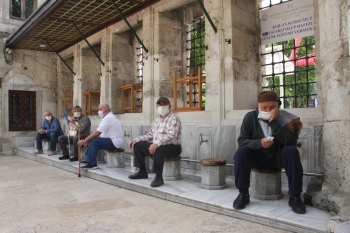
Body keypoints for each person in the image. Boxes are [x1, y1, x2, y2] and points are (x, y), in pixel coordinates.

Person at [233, 91, 306, 214]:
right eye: (264, 107)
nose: (268, 110)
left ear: (277, 105)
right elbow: (242, 140)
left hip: (277, 156)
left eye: (272, 107)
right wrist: (259, 143)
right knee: (241, 152)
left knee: (292, 151)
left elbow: (291, 141)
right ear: (257, 105)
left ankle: (295, 196)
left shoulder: (286, 119)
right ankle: (243, 194)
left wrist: (274, 122)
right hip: (257, 156)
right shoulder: (250, 117)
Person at [128, 97, 182, 188]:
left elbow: (171, 135)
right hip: (158, 145)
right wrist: (137, 139)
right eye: (159, 104)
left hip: (173, 147)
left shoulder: (174, 118)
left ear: (169, 106)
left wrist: (156, 144)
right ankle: (142, 171)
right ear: (157, 106)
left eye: (164, 104)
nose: (162, 106)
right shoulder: (157, 119)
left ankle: (158, 177)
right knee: (138, 145)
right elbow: (151, 135)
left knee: (158, 149)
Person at [77, 104, 123, 169]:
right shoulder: (107, 117)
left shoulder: (109, 118)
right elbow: (98, 131)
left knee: (94, 141)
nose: (99, 111)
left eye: (100, 110)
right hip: (110, 140)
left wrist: (85, 140)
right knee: (92, 139)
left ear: (106, 110)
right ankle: (89, 159)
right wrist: (87, 140)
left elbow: (97, 132)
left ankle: (92, 163)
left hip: (115, 141)